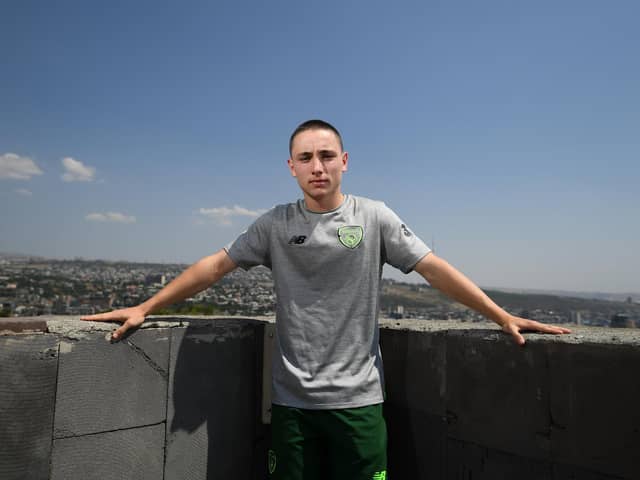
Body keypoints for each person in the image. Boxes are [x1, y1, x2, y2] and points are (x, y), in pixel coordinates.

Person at [83, 119, 571, 480]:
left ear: (344, 161)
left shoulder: (374, 217)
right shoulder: (275, 223)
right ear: (291, 167)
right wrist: (146, 306)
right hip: (293, 405)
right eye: (306, 158)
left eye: (327, 155)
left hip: (359, 402)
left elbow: (433, 269)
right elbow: (216, 266)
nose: (317, 166)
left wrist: (500, 314)